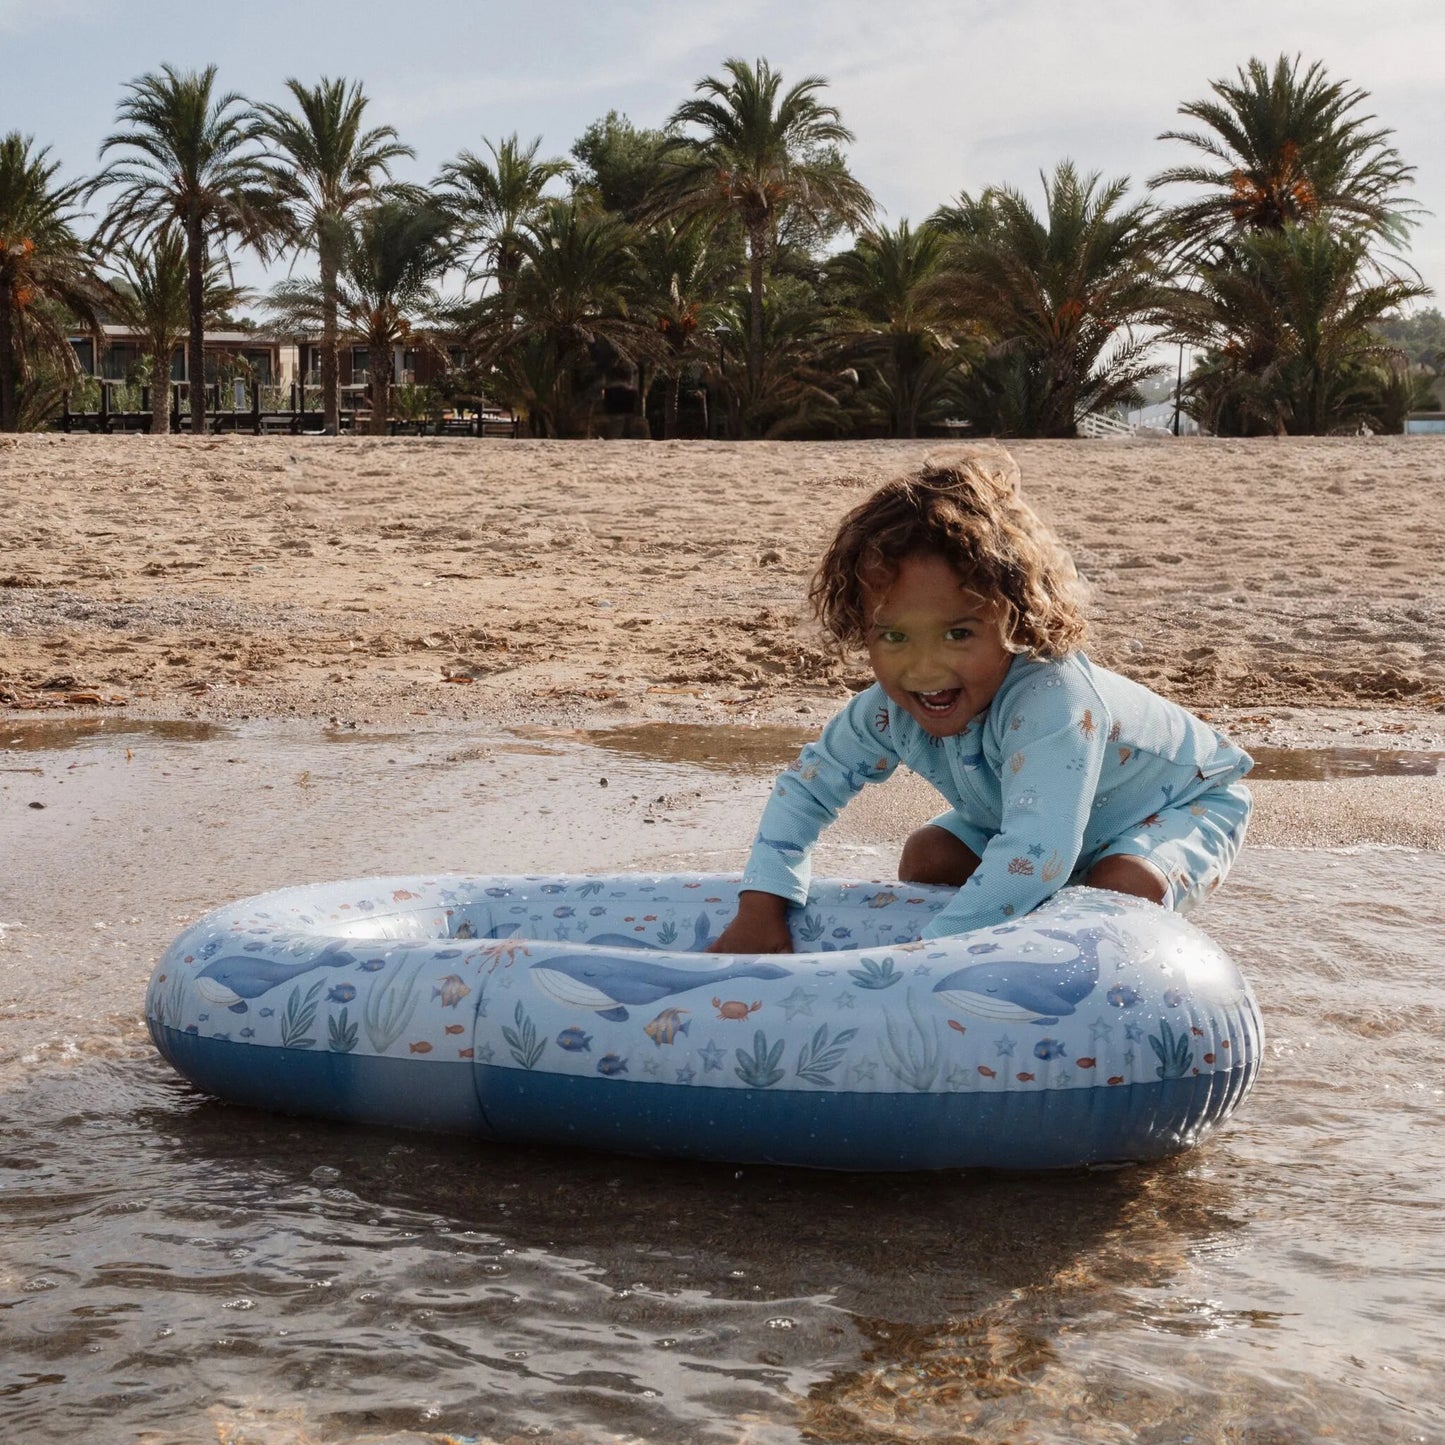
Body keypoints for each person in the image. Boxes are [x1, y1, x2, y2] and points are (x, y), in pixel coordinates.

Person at [709, 447, 1253, 955]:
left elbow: (1037, 859)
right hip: (1042, 826)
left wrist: (926, 957)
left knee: (1119, 889)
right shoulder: (885, 709)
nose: (924, 669)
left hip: (1178, 805)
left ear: (1014, 617)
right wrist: (762, 905)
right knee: (930, 858)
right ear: (862, 630)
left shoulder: (1052, 700)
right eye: (895, 636)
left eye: (958, 635)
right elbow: (805, 793)